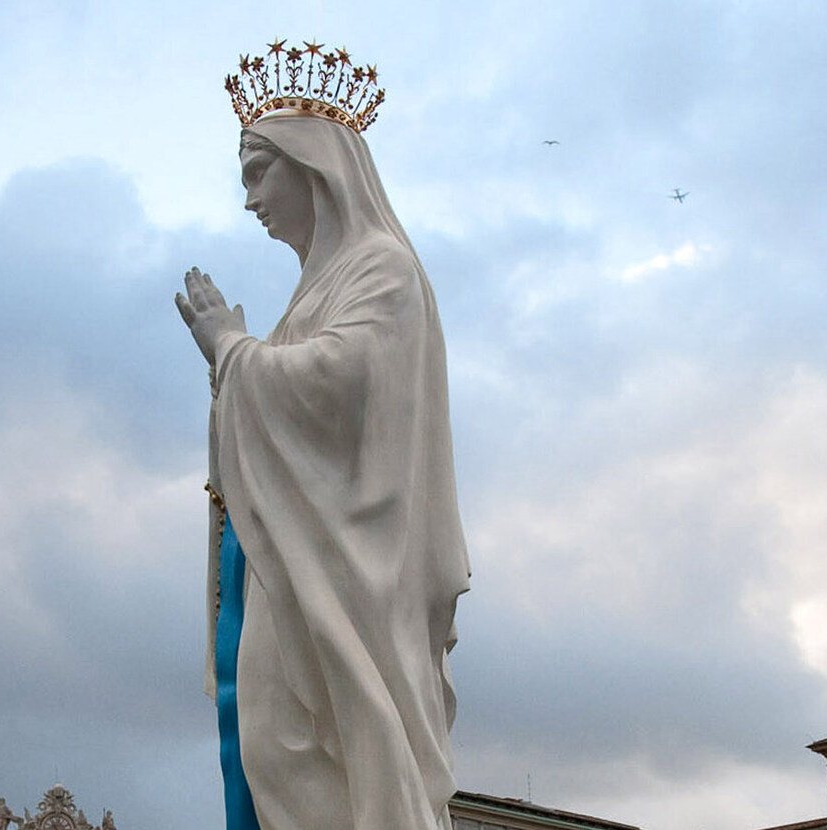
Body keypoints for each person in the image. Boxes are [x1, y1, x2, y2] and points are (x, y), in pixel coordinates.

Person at [174, 44, 470, 830]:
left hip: (340, 588)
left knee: (305, 759)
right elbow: (294, 401)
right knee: (271, 751)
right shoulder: (320, 288)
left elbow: (339, 385)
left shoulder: (383, 271)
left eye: (256, 173)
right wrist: (235, 369)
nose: (249, 200)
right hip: (286, 576)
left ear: (315, 166)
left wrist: (232, 353)